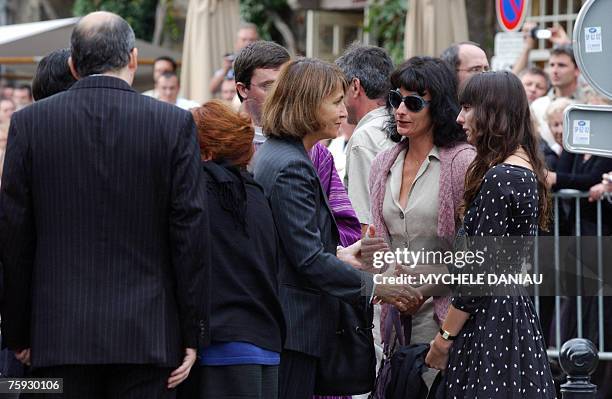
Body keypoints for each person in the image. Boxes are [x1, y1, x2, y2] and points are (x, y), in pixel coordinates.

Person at [0, 11, 208, 398]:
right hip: (148, 333)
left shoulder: (30, 124)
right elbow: (189, 232)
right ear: (133, 59)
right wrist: (192, 330)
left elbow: (14, 235)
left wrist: (16, 330)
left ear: (73, 65)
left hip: (57, 333)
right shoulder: (173, 124)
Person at [252, 58, 421, 399]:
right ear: (305, 103)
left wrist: (342, 254)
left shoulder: (285, 156)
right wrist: (377, 287)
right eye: (334, 102)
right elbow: (308, 260)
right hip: (293, 330)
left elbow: (291, 247)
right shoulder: (290, 166)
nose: (343, 111)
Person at [425, 71, 555, 398]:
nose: (459, 118)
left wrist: (444, 338)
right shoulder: (525, 167)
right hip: (511, 316)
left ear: (492, 112)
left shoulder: (502, 176)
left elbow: (478, 275)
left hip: (490, 324)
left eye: (468, 107)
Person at [366, 56, 475, 387]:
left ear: (438, 107)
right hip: (396, 317)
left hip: (446, 315)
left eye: (413, 103)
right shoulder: (384, 163)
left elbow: (475, 256)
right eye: (396, 100)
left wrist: (420, 289)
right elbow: (379, 246)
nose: (400, 110)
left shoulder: (461, 162)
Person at [181, 100, 284, 399]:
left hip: (223, 347)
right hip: (266, 341)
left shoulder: (197, 193)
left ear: (206, 151)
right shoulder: (255, 193)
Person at [235, 41, 362, 247]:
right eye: (269, 86)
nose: (280, 94)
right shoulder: (227, 148)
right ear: (243, 89)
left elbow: (344, 222)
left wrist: (335, 253)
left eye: (285, 86)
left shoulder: (317, 153)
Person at [335, 44, 395, 230]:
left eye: (339, 93)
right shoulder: (403, 123)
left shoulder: (365, 137)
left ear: (355, 86)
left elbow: (365, 223)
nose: (339, 103)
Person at [531, 44, 584, 155]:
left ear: (577, 70)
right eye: (552, 65)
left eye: (561, 65)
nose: (554, 70)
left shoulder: (586, 105)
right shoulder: (537, 106)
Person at [209, 23, 259, 96]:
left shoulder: (264, 61)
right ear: (237, 43)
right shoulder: (231, 60)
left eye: (251, 40)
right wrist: (225, 70)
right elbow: (212, 89)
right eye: (244, 39)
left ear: (258, 42)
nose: (248, 43)